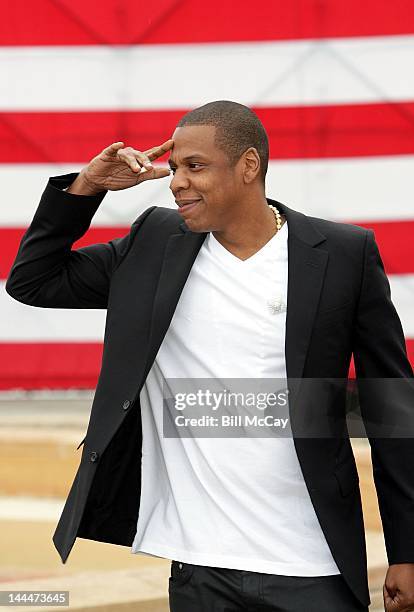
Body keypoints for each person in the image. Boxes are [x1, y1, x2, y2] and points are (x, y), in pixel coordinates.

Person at [5, 100, 414, 612]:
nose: (176, 181)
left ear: (248, 165)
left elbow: (392, 409)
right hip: (199, 569)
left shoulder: (342, 253)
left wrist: (408, 549)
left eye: (195, 166)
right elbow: (33, 280)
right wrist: (86, 186)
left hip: (313, 565)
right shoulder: (154, 245)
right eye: (174, 168)